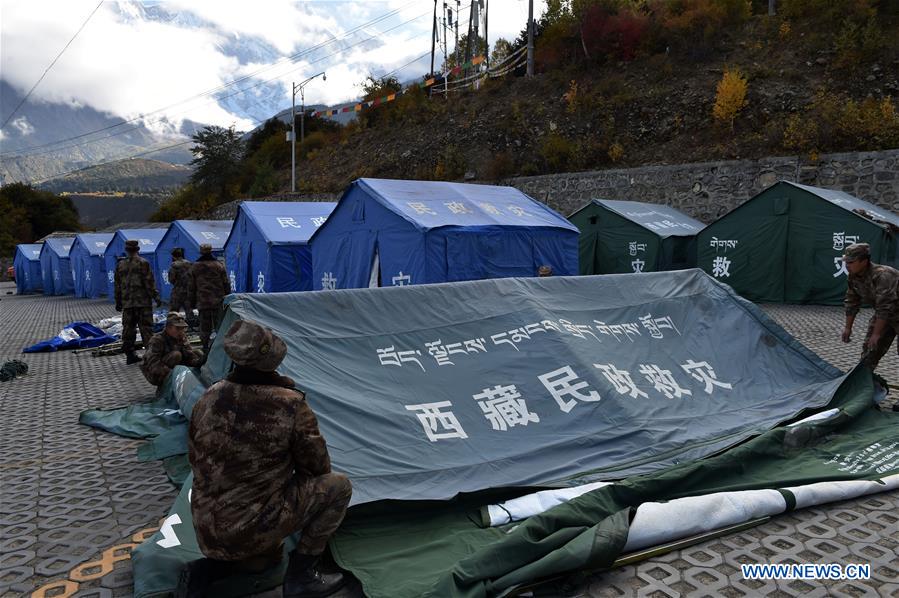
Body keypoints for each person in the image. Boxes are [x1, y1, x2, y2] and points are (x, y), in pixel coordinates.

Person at [184, 320, 352, 597]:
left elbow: (194, 455)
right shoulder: (289, 404)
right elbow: (317, 467)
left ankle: (212, 568)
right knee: (337, 486)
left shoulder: (209, 396)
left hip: (205, 526)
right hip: (248, 527)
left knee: (265, 558)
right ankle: (303, 575)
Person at [841, 242, 899, 371]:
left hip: (889, 310)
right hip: (886, 315)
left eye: (851, 262)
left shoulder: (883, 275)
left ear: (864, 261)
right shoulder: (853, 277)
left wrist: (877, 334)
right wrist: (847, 328)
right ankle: (861, 381)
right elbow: (852, 301)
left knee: (875, 339)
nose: (847, 265)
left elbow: (885, 306)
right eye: (846, 262)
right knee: (869, 351)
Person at [115, 239, 162, 365]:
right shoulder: (143, 263)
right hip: (143, 303)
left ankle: (130, 355)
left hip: (128, 303)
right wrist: (156, 297)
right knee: (146, 329)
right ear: (138, 249)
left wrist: (118, 302)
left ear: (126, 250)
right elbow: (149, 283)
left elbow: (117, 285)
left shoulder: (120, 264)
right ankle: (151, 356)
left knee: (128, 329)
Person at [140, 312, 204, 386]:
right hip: (156, 373)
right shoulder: (157, 340)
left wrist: (199, 361)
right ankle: (168, 384)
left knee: (198, 352)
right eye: (178, 328)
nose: (181, 331)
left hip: (174, 368)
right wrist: (174, 373)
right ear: (168, 327)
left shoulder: (181, 337)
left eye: (182, 328)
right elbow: (153, 364)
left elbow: (189, 355)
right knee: (176, 355)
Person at [189, 243, 231, 352]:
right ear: (211, 250)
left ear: (200, 251)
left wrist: (191, 302)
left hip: (203, 301)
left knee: (204, 326)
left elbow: (191, 286)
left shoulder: (195, 267)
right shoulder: (219, 265)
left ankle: (205, 347)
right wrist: (228, 298)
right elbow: (226, 283)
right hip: (218, 300)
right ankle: (222, 346)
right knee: (220, 325)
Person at [168, 248, 194, 325]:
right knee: (189, 310)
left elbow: (171, 279)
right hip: (188, 290)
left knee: (174, 311)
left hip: (177, 291)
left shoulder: (174, 265)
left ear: (173, 256)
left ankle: (173, 325)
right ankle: (192, 326)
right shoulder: (189, 264)